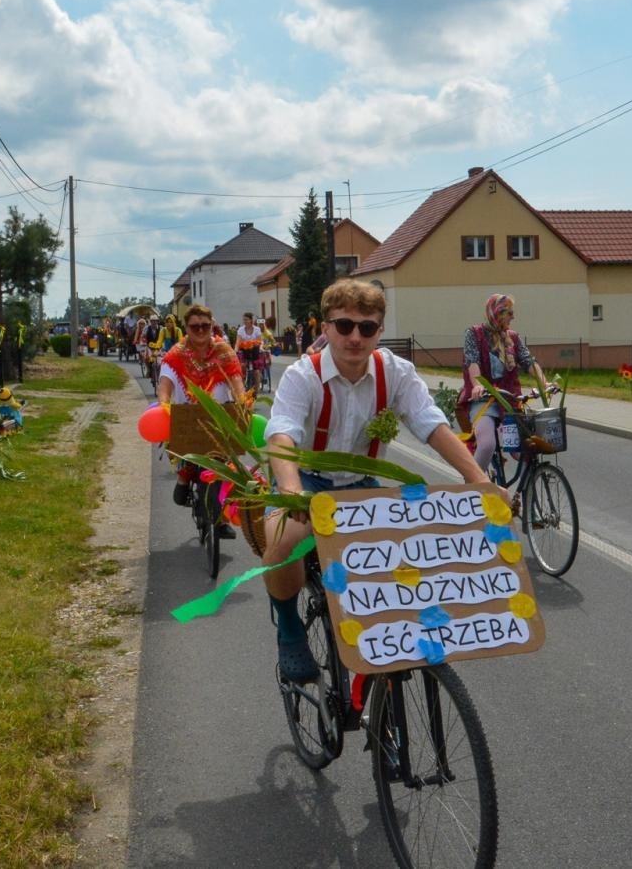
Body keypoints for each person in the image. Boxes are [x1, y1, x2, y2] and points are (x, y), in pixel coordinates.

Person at [262, 278, 489, 683]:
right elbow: (282, 434)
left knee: (406, 560)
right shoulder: (304, 375)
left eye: (367, 327)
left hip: (363, 486)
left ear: (379, 331)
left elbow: (432, 426)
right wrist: (292, 491)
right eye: (344, 325)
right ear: (326, 327)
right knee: (282, 542)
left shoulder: (396, 373)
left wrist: (479, 479)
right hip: (309, 482)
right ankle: (289, 626)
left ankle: (388, 651)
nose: (355, 337)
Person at [156, 303, 246, 527]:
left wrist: (243, 403)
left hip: (219, 417)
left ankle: (222, 517)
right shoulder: (175, 354)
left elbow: (236, 381)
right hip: (186, 419)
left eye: (205, 325)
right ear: (185, 327)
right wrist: (163, 405)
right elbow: (165, 385)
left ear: (212, 325)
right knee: (185, 463)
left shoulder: (224, 351)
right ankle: (184, 476)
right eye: (194, 326)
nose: (200, 330)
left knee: (225, 469)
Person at [458, 293, 551, 475]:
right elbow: (473, 362)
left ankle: (524, 492)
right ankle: (471, 489)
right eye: (509, 312)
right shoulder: (474, 334)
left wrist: (544, 383)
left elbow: (528, 361)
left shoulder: (513, 338)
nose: (513, 317)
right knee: (487, 445)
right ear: (496, 313)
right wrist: (478, 384)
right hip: (485, 400)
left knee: (525, 448)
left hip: (509, 401)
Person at [234, 311, 264, 390]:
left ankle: (256, 390)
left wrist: (260, 348)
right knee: (242, 366)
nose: (245, 321)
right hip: (244, 352)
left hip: (255, 352)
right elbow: (238, 342)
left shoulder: (257, 329)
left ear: (251, 320)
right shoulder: (241, 329)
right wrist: (235, 350)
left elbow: (260, 341)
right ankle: (242, 385)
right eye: (244, 320)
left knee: (257, 372)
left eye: (246, 319)